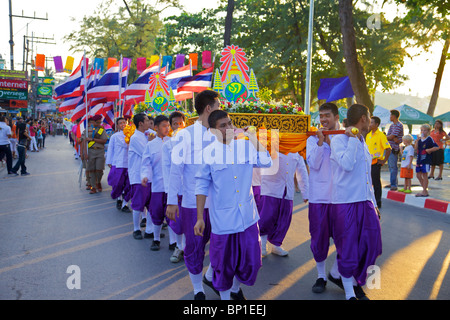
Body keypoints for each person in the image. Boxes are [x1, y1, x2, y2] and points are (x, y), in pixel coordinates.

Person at [194, 109, 273, 300]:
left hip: (247, 217)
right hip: (224, 220)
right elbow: (201, 185)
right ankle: (226, 298)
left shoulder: (245, 147)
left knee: (251, 261)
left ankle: (235, 289)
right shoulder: (207, 154)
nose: (229, 128)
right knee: (224, 263)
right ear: (212, 131)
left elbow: (267, 161)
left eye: (230, 123)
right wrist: (199, 218)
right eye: (223, 125)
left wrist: (253, 138)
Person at [166, 90, 220, 300]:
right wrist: (172, 201)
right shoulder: (185, 135)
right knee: (195, 246)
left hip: (217, 202)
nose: (220, 110)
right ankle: (198, 287)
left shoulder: (222, 133)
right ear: (209, 108)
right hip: (192, 203)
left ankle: (211, 275)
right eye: (218, 106)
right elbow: (175, 169)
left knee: (220, 244)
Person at [329, 104, 382, 300]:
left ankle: (339, 275)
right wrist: (351, 139)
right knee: (349, 246)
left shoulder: (362, 140)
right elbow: (347, 165)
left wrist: (374, 204)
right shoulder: (339, 140)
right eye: (369, 117)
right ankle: (350, 291)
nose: (370, 121)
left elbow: (366, 176)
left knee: (372, 244)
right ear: (362, 119)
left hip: (365, 201)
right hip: (345, 203)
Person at [306, 102, 341, 293]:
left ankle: (337, 273)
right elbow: (314, 164)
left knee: (344, 238)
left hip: (340, 198)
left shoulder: (345, 137)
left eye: (327, 115)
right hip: (319, 198)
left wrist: (331, 143)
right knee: (318, 239)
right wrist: (321, 143)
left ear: (336, 117)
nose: (323, 119)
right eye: (321, 116)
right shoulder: (313, 138)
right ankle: (320, 276)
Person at [259, 148, 309, 257]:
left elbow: (302, 171)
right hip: (270, 188)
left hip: (287, 190)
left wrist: (305, 192)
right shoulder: (272, 143)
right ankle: (261, 245)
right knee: (267, 217)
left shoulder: (297, 151)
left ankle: (276, 245)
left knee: (284, 219)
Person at [141, 115, 171, 251]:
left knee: (172, 215)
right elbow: (146, 163)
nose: (167, 128)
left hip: (171, 186)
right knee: (157, 213)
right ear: (156, 128)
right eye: (164, 125)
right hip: (157, 186)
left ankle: (174, 242)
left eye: (168, 125)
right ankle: (156, 239)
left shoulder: (173, 142)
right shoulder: (150, 145)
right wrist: (145, 176)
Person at [162, 111, 186, 262]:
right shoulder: (167, 145)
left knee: (192, 220)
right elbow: (166, 170)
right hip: (176, 190)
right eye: (175, 123)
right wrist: (170, 193)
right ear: (170, 126)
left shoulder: (193, 143)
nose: (178, 126)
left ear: (185, 123)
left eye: (180, 123)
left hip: (191, 189)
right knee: (176, 220)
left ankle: (189, 247)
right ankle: (179, 246)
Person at [128, 113, 153, 240]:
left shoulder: (148, 134)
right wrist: (151, 143)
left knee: (151, 204)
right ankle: (136, 229)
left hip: (150, 176)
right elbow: (147, 153)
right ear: (140, 123)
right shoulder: (135, 138)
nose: (149, 122)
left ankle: (149, 230)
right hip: (139, 177)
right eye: (147, 120)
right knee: (138, 203)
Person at [106, 117, 132, 212]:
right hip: (118, 163)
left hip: (130, 163)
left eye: (124, 122)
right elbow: (110, 149)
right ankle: (119, 199)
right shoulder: (115, 136)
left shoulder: (132, 134)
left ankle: (125, 204)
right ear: (117, 125)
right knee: (118, 183)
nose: (123, 124)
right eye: (120, 123)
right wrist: (110, 161)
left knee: (128, 184)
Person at [366, 116, 391, 208]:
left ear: (377, 124)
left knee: (376, 182)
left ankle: (378, 201)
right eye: (370, 122)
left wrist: (384, 160)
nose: (370, 124)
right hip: (367, 162)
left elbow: (388, 149)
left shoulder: (381, 135)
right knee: (369, 182)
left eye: (372, 122)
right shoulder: (368, 135)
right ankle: (370, 200)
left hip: (376, 162)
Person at [81, 115, 108, 194]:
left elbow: (104, 140)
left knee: (99, 169)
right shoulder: (87, 130)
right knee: (91, 170)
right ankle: (93, 187)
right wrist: (84, 153)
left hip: (100, 151)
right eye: (97, 122)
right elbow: (84, 142)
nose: (99, 123)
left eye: (100, 122)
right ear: (93, 122)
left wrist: (93, 139)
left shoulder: (101, 130)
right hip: (91, 151)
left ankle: (98, 182)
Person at [414, 124, 439, 197]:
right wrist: (417, 141)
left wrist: (429, 150)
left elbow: (436, 147)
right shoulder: (420, 139)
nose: (423, 131)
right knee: (418, 175)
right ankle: (425, 189)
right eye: (422, 130)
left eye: (424, 130)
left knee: (424, 175)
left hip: (426, 160)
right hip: (419, 159)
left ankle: (424, 191)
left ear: (428, 131)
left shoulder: (429, 139)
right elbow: (416, 148)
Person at [386, 110, 404, 190]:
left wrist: (385, 137)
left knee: (393, 167)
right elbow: (389, 136)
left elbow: (392, 136)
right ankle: (392, 182)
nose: (390, 117)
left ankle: (394, 184)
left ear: (394, 116)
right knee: (391, 166)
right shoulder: (392, 125)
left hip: (394, 148)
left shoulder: (398, 125)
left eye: (391, 115)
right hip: (390, 147)